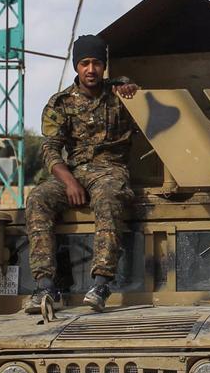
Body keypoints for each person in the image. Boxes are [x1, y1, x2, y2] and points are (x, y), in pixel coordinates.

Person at [24, 34, 139, 312]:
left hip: (110, 170)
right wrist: (69, 182)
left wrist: (133, 90)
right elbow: (50, 149)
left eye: (96, 63)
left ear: (104, 66)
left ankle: (101, 284)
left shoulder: (120, 95)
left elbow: (145, 105)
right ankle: (46, 286)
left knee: (108, 198)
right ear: (77, 66)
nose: (91, 69)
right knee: (38, 198)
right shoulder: (60, 103)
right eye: (85, 63)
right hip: (73, 172)